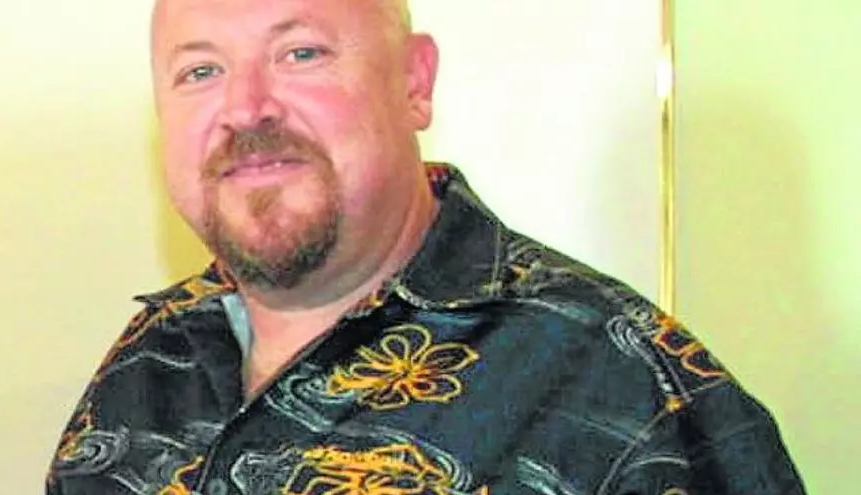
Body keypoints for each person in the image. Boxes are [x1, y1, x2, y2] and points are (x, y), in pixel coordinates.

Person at [46, 0, 806, 493]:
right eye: (200, 70)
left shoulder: (634, 390)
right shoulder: (148, 356)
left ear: (414, 82)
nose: (245, 107)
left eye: (300, 53)